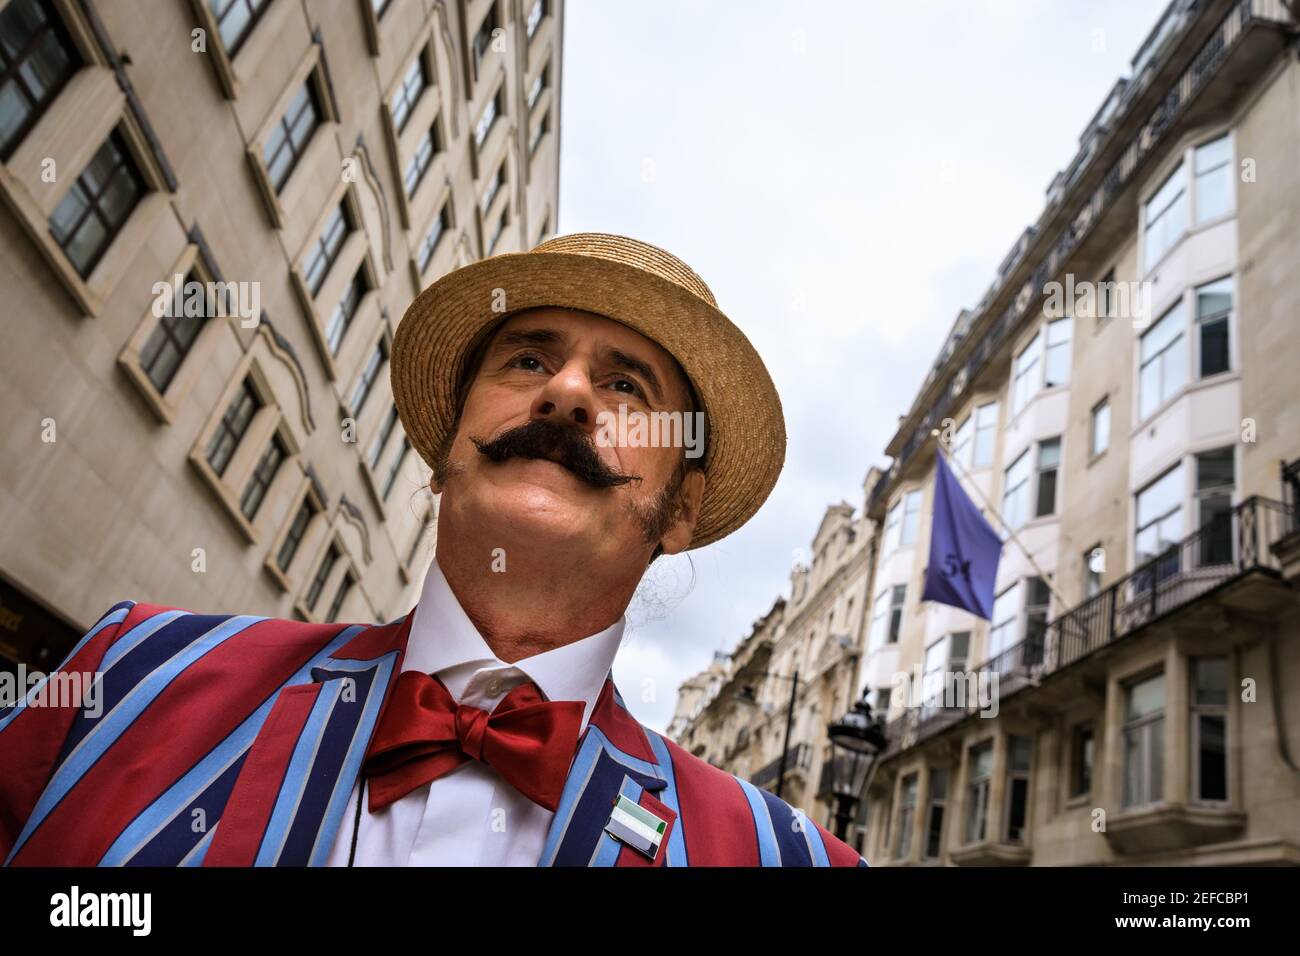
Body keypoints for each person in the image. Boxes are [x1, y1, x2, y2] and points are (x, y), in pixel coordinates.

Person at [0, 233, 868, 867]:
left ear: (681, 509)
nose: (566, 393)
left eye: (625, 385)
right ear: (443, 454)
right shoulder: (130, 678)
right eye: (528, 360)